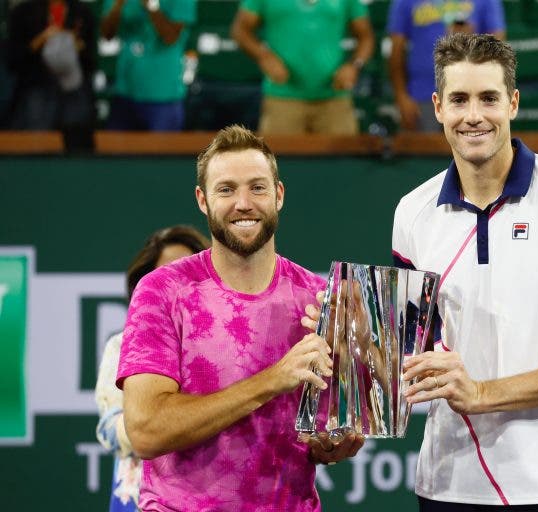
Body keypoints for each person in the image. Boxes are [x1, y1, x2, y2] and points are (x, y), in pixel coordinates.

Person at [391, 33, 538, 510]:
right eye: (459, 100)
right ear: (438, 107)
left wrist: (483, 393)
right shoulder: (411, 213)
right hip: (449, 484)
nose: (474, 115)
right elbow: (411, 350)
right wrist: (351, 330)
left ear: (514, 103)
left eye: (489, 98)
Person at [116, 125, 364, 511]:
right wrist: (271, 381)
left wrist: (330, 444)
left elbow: (323, 432)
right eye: (227, 189)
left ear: (278, 195)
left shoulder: (318, 297)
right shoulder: (161, 291)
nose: (243, 203)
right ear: (203, 200)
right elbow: (146, 430)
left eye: (257, 188)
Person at [95, 225, 210, 512]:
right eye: (167, 275)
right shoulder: (122, 346)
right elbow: (111, 427)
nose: (181, 285)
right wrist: (156, 426)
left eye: (191, 275)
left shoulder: (231, 348)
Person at [230, 0, 374, 135]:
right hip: (282, 97)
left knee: (344, 159)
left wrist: (354, 66)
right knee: (278, 159)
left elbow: (366, 36)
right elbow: (241, 30)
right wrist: (264, 56)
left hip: (335, 98)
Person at [387, 0, 505, 132]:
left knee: (469, 149)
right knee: (423, 149)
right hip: (421, 95)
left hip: (470, 94)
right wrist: (401, 96)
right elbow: (396, 51)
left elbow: (497, 47)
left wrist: (471, 41)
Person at [7, 0, 96, 150]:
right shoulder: (23, 12)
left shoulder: (82, 12)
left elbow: (91, 61)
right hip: (37, 86)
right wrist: (41, 40)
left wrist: (76, 44)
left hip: (73, 87)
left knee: (78, 138)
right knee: (37, 139)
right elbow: (14, 59)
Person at [100, 0, 195, 130]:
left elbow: (171, 37)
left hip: (162, 95)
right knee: (116, 149)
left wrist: (151, 5)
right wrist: (118, 5)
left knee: (162, 150)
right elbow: (107, 34)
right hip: (125, 91)